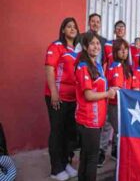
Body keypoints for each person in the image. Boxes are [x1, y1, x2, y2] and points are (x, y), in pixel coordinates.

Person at [75, 32, 118, 181]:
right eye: (92, 44)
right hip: (88, 119)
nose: (96, 46)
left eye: (98, 43)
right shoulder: (83, 67)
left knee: (86, 156)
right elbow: (88, 95)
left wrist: (113, 90)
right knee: (91, 157)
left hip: (97, 118)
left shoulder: (97, 65)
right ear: (85, 47)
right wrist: (108, 93)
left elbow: (100, 88)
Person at [44, 17, 80, 181]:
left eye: (74, 27)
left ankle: (66, 163)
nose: (72, 29)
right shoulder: (56, 46)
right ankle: (56, 169)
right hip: (58, 97)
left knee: (70, 133)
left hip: (74, 99)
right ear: (63, 30)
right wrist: (54, 93)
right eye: (69, 26)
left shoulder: (78, 51)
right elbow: (50, 69)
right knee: (57, 132)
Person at [98, 38, 133, 167]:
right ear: (115, 52)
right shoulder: (116, 65)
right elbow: (118, 87)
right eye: (121, 50)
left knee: (110, 128)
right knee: (115, 129)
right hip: (115, 104)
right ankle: (102, 153)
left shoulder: (127, 67)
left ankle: (112, 151)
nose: (124, 52)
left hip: (122, 104)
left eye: (126, 49)